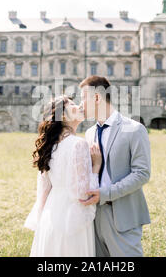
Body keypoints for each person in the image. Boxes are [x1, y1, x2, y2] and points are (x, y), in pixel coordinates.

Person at [79, 75, 151, 257]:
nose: (80, 105)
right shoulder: (89, 133)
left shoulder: (134, 129)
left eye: (83, 98)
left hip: (121, 214)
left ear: (96, 98)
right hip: (93, 216)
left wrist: (106, 194)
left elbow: (142, 173)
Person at [24, 95, 102, 256]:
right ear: (64, 115)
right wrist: (96, 166)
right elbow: (83, 193)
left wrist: (40, 219)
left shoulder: (49, 147)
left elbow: (44, 190)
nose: (80, 106)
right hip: (71, 217)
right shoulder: (78, 144)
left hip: (50, 214)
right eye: (72, 104)